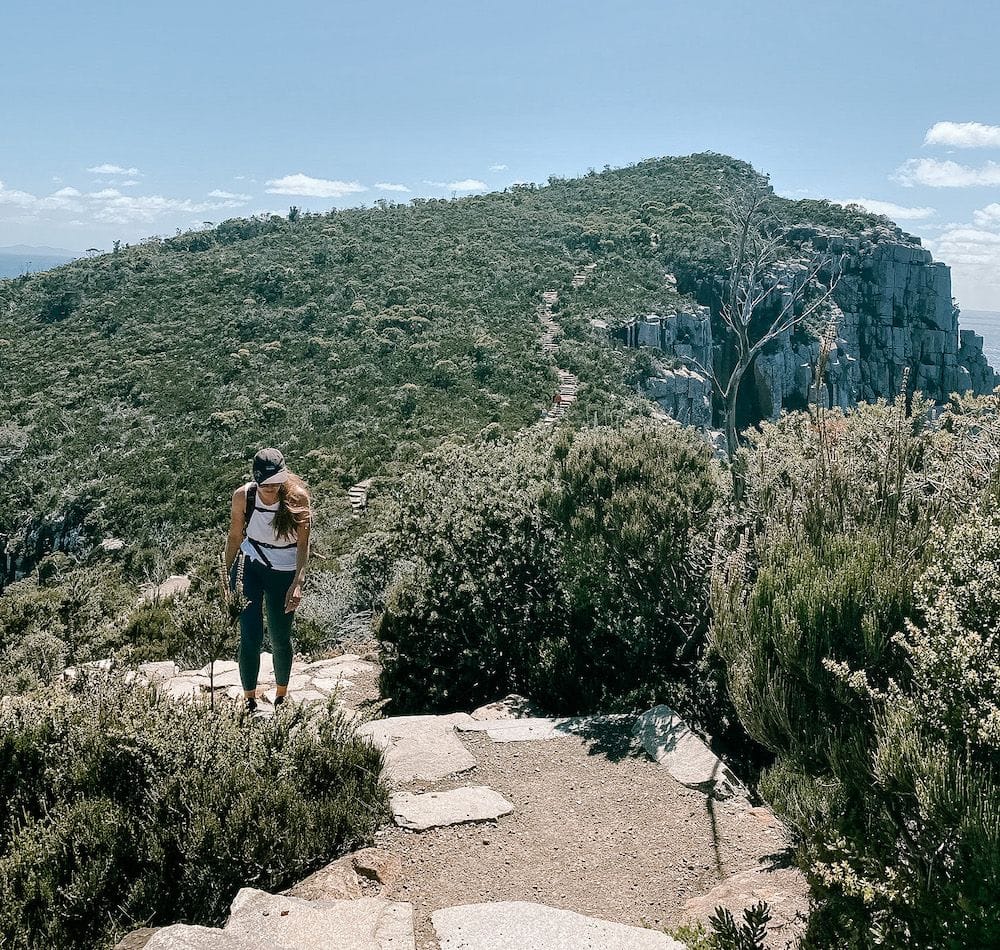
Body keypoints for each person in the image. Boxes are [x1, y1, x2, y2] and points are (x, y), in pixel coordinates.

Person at [225, 447, 311, 712]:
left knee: (279, 636)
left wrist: (298, 583)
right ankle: (249, 698)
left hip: (283, 572)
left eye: (277, 484)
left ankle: (282, 695)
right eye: (266, 485)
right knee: (250, 636)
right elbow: (235, 536)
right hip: (251, 564)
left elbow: (303, 545)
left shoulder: (297, 499)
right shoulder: (244, 496)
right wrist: (229, 577)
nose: (271, 490)